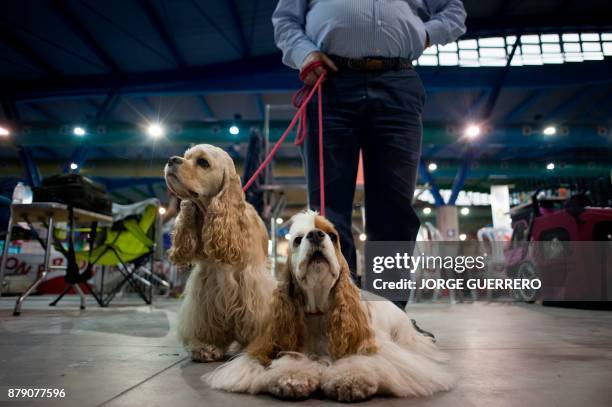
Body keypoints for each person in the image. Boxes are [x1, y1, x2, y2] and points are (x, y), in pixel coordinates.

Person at [272, 1, 467, 303]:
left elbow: (454, 11)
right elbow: (285, 20)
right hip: (330, 82)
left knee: (394, 210)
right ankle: (336, 314)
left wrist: (424, 34)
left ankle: (389, 317)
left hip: (398, 81)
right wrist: (305, 53)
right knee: (328, 211)